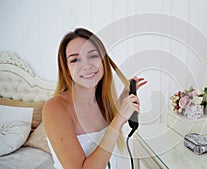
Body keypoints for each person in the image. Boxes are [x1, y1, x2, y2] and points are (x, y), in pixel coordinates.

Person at [43, 28, 147, 169]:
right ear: (66, 68)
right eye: (75, 60)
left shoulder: (104, 101)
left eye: (93, 56)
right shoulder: (54, 108)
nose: (86, 66)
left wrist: (121, 104)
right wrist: (118, 120)